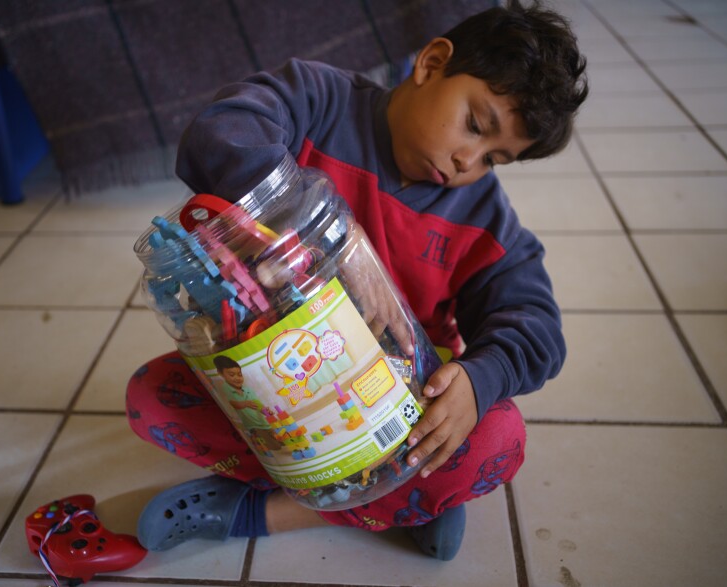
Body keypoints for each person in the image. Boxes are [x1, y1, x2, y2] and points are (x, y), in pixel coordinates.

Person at [126, 0, 587, 560]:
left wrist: (477, 380)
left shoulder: (483, 217)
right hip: (277, 384)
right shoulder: (318, 99)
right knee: (151, 400)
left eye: (496, 158)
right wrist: (331, 241)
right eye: (475, 124)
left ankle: (260, 511)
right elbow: (221, 131)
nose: (469, 160)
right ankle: (400, 505)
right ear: (432, 63)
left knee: (498, 439)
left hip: (399, 410)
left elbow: (537, 327)